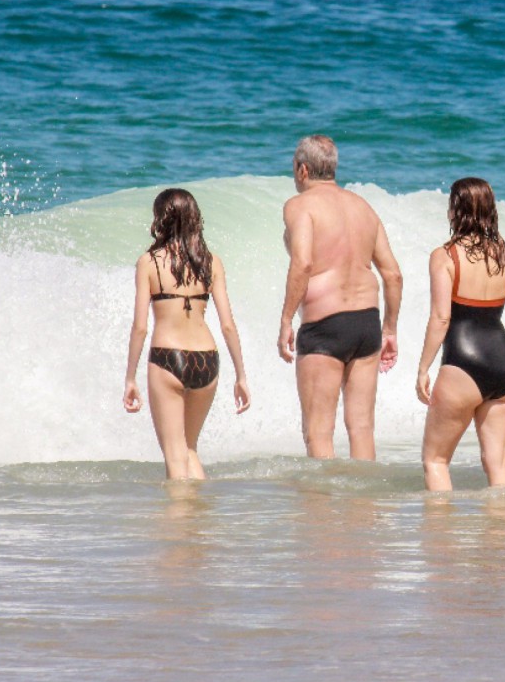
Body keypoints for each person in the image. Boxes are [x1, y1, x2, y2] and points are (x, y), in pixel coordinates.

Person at [278, 135, 402, 460]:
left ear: (303, 169)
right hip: (366, 324)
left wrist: (286, 319)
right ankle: (365, 494)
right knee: (361, 428)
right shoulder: (363, 207)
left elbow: (303, 263)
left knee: (317, 432)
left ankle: (321, 496)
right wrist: (390, 329)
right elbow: (393, 274)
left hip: (325, 326)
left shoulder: (300, 205)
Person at [417, 177, 505, 491]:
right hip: (504, 364)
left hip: (462, 363)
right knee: (498, 465)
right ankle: (502, 524)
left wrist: (423, 369)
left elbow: (441, 318)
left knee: (436, 461)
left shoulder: (445, 256)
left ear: (455, 211)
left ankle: (441, 525)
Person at [124, 188, 251, 480]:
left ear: (160, 219)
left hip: (168, 358)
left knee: (174, 455)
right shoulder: (211, 262)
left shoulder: (149, 262)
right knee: (189, 449)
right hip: (207, 360)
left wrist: (130, 378)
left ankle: (179, 511)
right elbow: (228, 325)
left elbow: (140, 327)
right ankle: (198, 509)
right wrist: (241, 376)